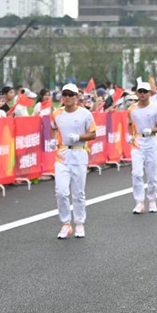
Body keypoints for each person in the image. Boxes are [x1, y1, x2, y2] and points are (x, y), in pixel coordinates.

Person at [50, 83, 97, 239]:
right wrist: (52, 140)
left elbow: (92, 134)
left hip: (79, 154)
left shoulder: (85, 114)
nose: (68, 97)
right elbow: (53, 128)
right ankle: (65, 224)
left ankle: (79, 223)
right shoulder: (56, 113)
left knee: (78, 193)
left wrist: (78, 137)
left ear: (77, 96)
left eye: (71, 94)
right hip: (62, 155)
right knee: (61, 192)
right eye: (65, 94)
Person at [127, 80, 157, 214]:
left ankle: (152, 199)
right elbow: (130, 124)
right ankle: (139, 202)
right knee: (136, 173)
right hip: (137, 143)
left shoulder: (155, 108)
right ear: (137, 93)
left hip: (151, 143)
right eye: (140, 92)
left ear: (149, 93)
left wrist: (152, 130)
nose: (142, 94)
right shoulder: (132, 109)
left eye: (145, 92)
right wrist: (129, 135)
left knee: (152, 175)